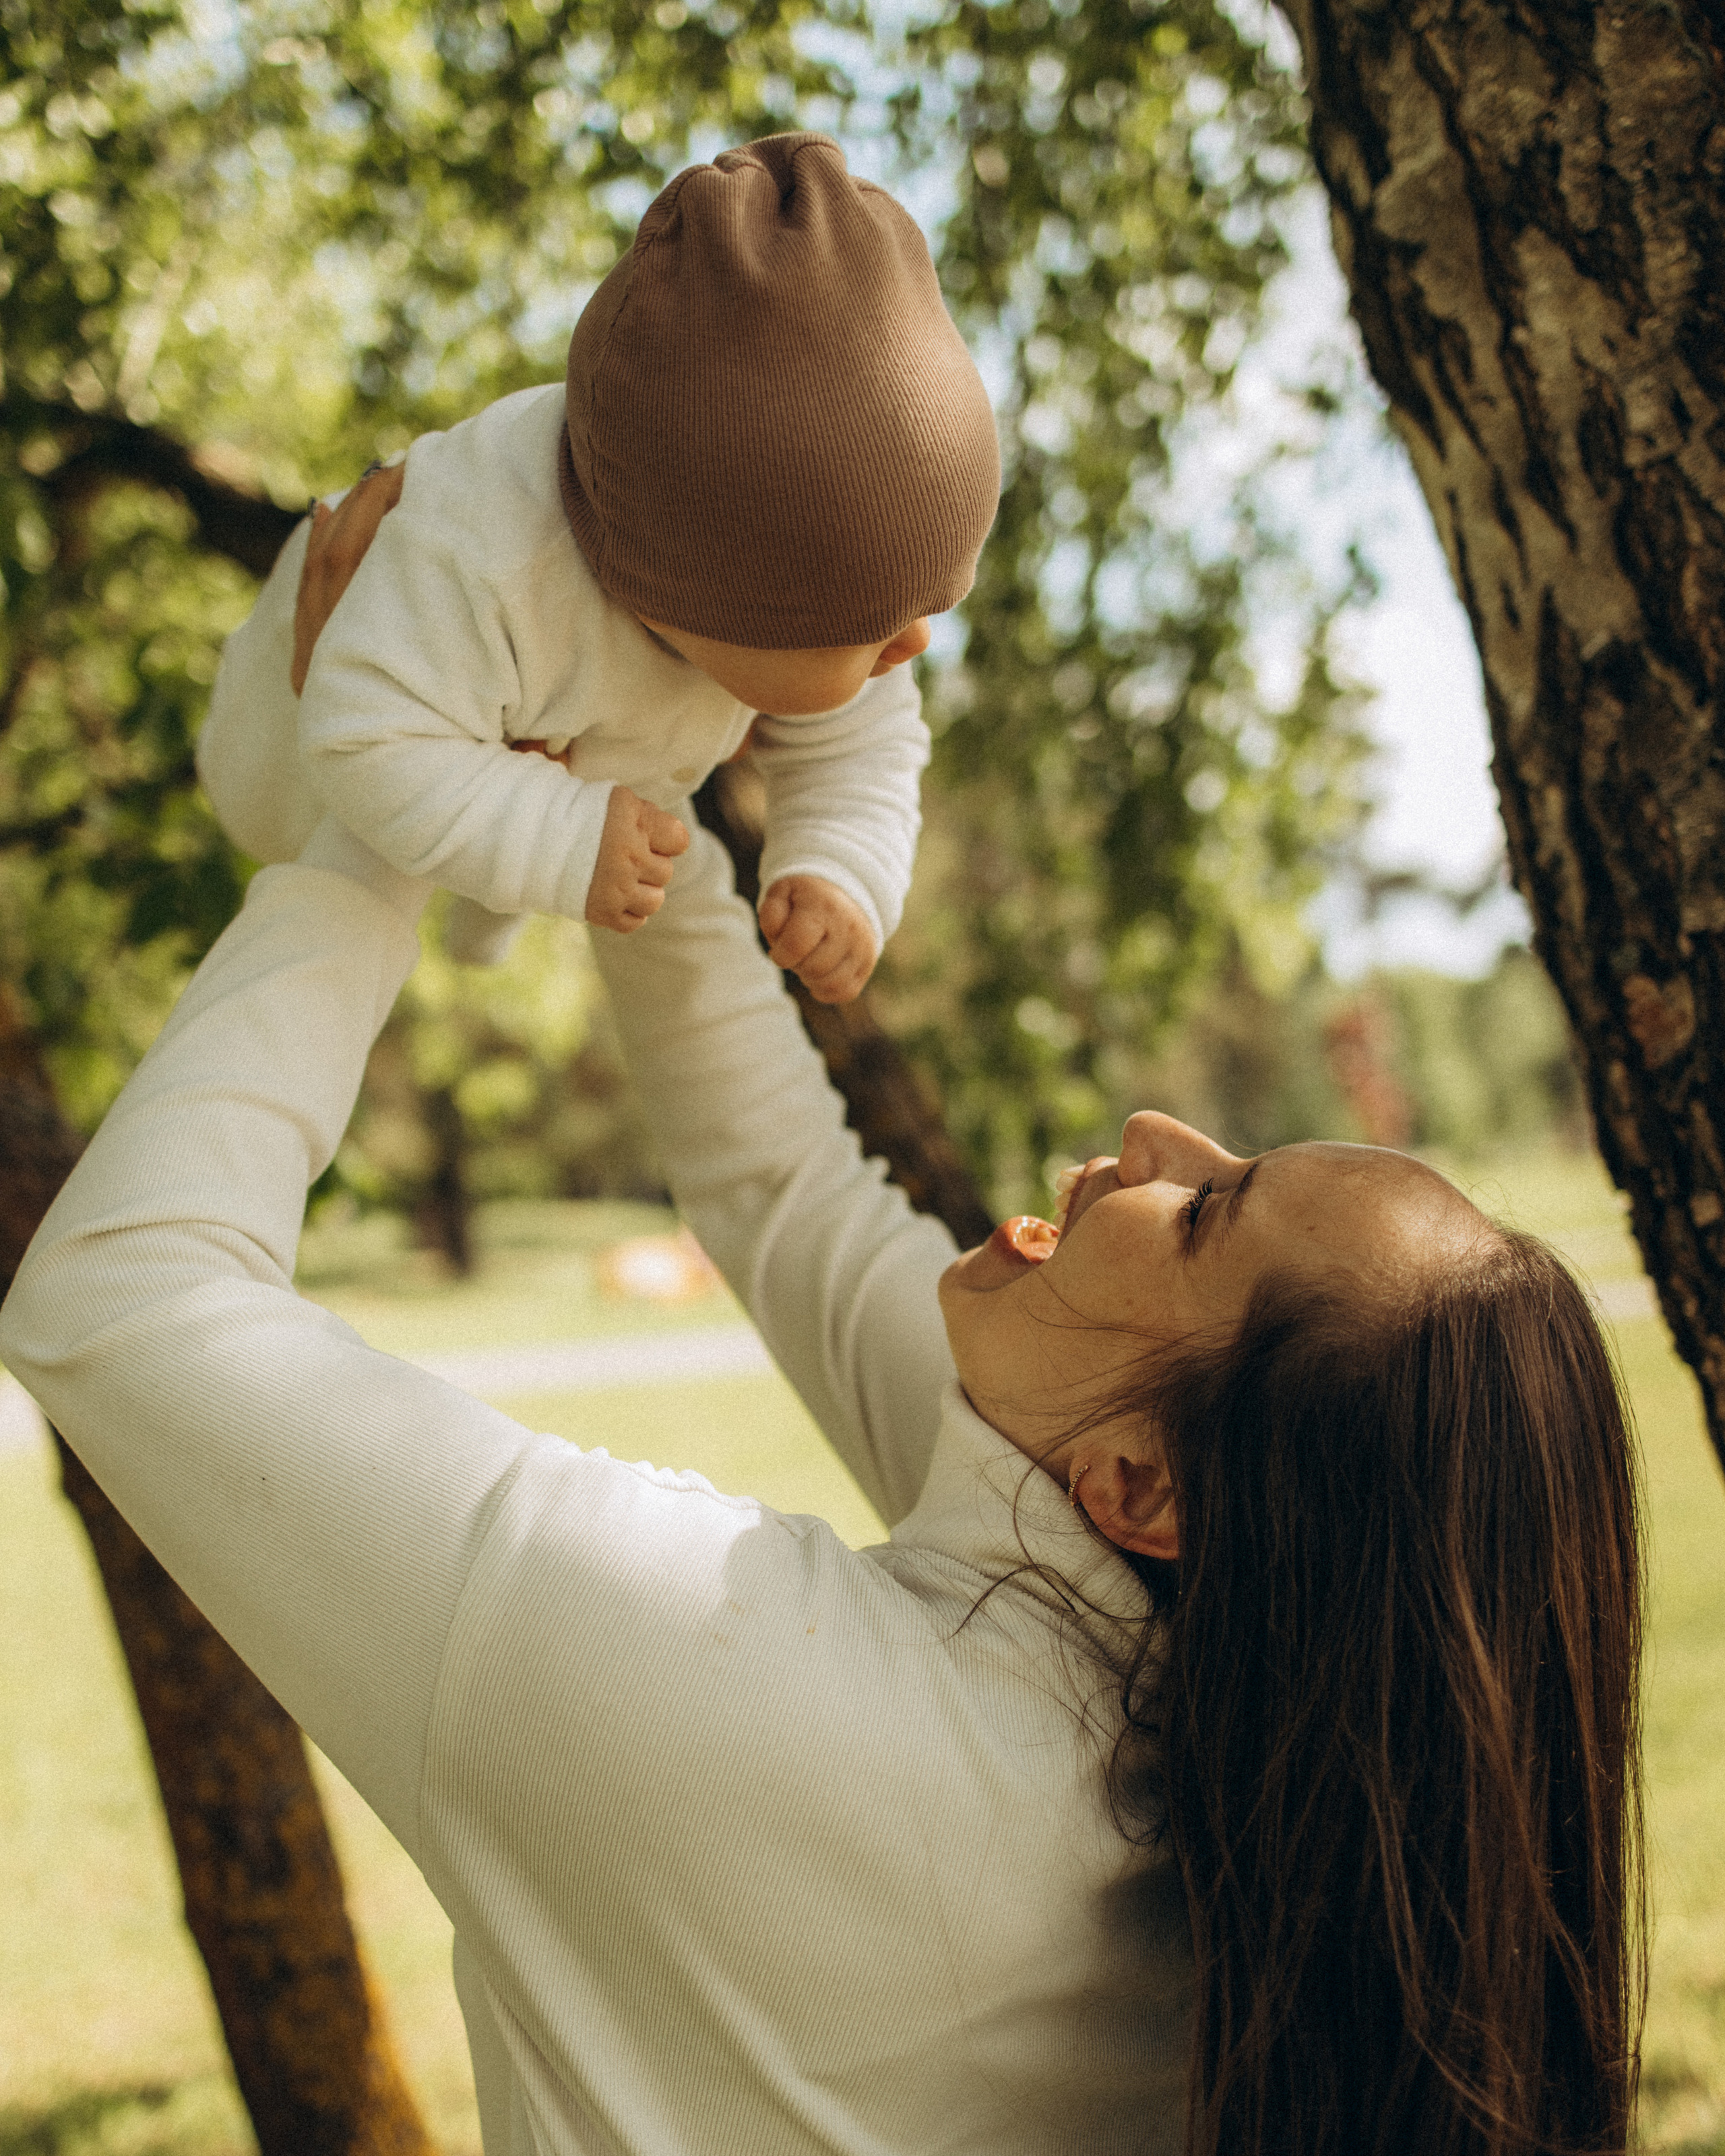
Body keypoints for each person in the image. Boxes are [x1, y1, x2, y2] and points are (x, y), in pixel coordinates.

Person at [1, 491, 1643, 2156]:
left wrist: (385, 773)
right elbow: (776, 1174)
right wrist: (610, 767)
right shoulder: (1239, 1746)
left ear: (1143, 1488)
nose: (1158, 1131)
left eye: (1208, 1206)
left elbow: (121, 1293)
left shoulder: (710, 1676)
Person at [196, 130, 1000, 998]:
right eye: (868, 626)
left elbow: (864, 745)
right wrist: (563, 839)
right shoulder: (488, 557)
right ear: (709, 599)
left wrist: (841, 868)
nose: (913, 641)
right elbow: (361, 729)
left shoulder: (741, 560)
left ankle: (484, 908)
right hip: (291, 755)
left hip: (537, 735)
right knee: (353, 863)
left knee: (514, 829)